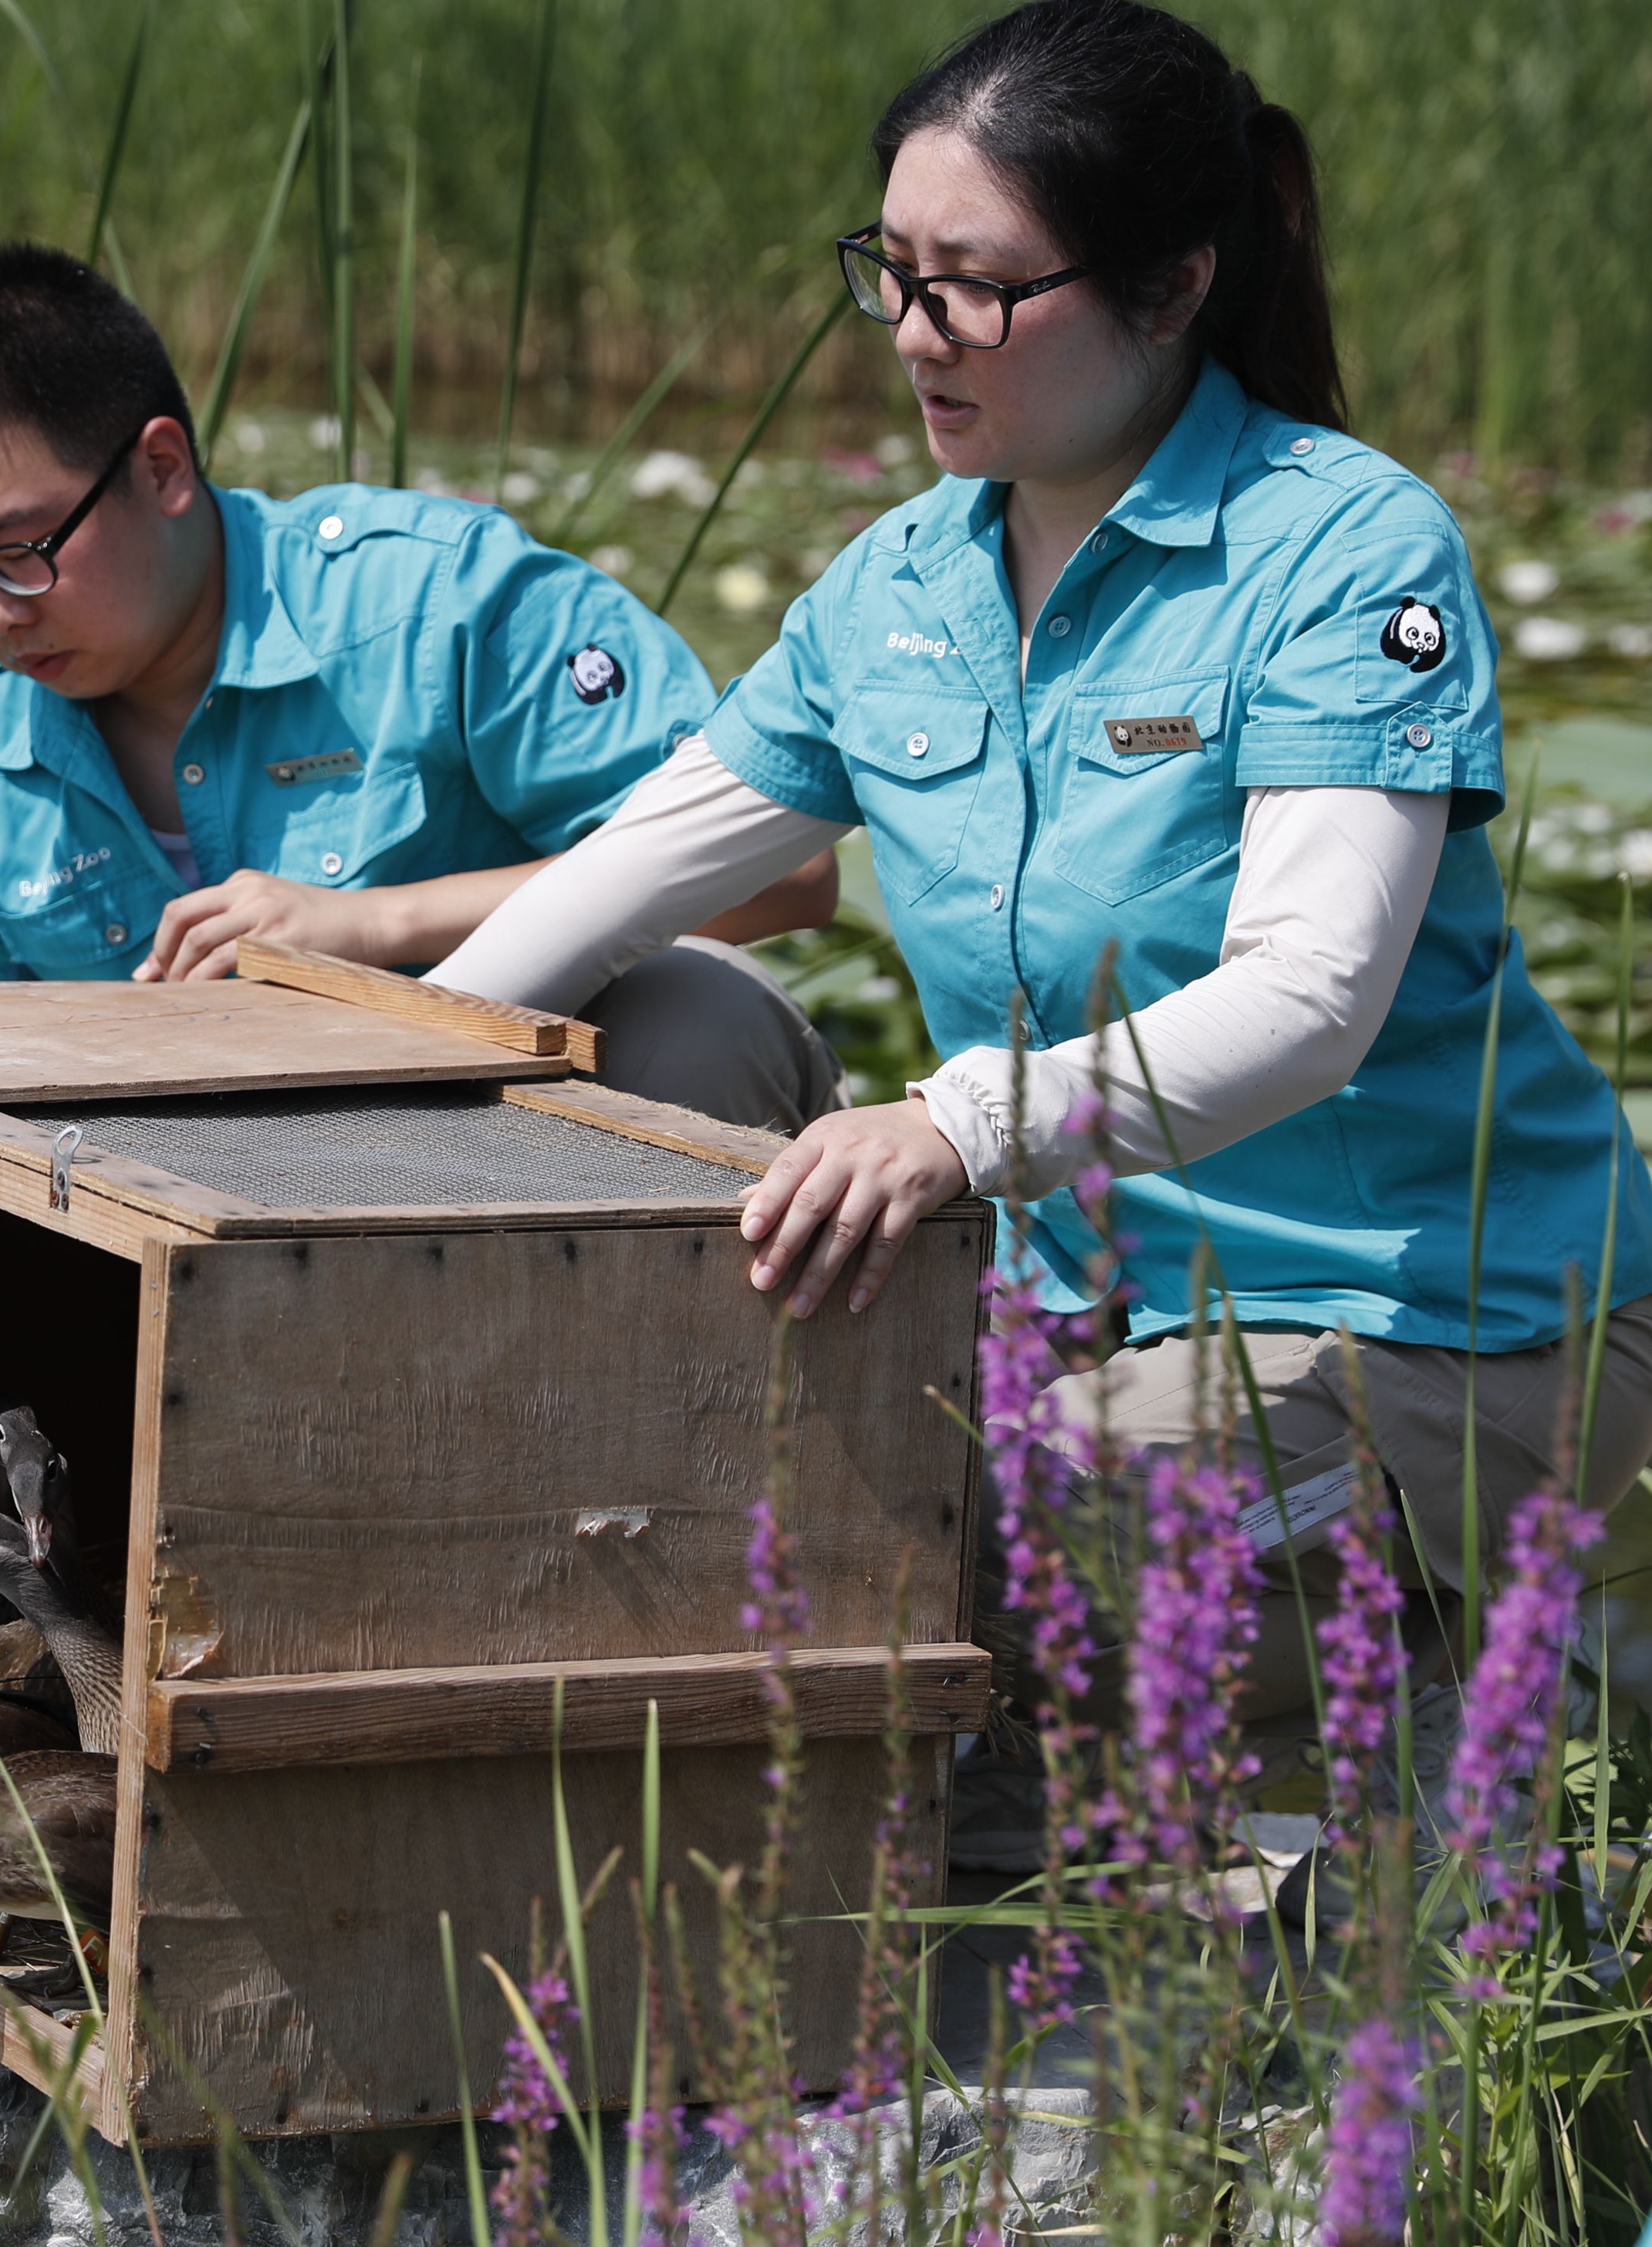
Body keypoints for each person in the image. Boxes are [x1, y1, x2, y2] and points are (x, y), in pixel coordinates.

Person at [426, 0, 1652, 1860]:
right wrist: (349, 1072)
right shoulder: (901, 579)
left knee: (985, 1519)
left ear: (1172, 287)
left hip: (1447, 1319)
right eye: (893, 275)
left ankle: (1498, 1672)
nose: (918, 339)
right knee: (727, 1418)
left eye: (979, 288)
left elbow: (1315, 1001)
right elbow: (626, 880)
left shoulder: (1343, 552)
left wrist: (956, 1125)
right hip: (1092, 1312)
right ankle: (1104, 1728)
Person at [0, 242, 847, 1132]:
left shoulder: (438, 605)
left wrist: (374, 925)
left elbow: (785, 874)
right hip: (168, 1221)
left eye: (21, 553)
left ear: (163, 467)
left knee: (704, 1013)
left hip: (517, 1152)